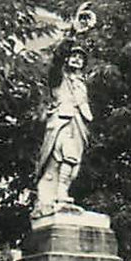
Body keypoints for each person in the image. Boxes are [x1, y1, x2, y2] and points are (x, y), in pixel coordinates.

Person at [35, 39, 91, 210]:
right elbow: (57, 59)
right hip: (61, 121)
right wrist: (72, 33)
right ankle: (58, 194)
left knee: (74, 166)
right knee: (67, 156)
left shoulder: (82, 83)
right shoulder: (58, 77)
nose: (76, 59)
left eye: (80, 58)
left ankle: (63, 195)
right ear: (66, 59)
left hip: (78, 123)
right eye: (73, 56)